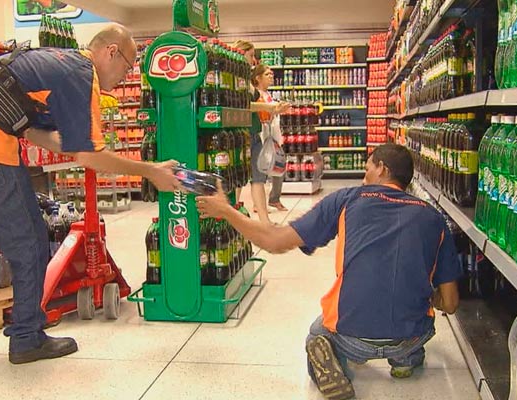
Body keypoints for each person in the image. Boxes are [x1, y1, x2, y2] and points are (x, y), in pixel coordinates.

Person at [0, 24, 180, 365]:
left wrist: (80, 147)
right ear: (111, 52)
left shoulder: (59, 62)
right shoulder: (82, 75)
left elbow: (36, 133)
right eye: (129, 65)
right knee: (29, 244)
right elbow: (88, 158)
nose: (126, 74)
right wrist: (150, 170)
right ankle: (27, 338)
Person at [196, 144, 461, 400]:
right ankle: (404, 359)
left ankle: (340, 362)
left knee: (318, 333)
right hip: (411, 334)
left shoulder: (347, 200)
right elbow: (450, 304)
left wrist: (225, 210)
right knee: (414, 327)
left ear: (381, 168)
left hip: (351, 332)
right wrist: (431, 296)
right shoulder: (434, 218)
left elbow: (274, 242)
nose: (364, 175)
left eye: (367, 168)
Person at [248, 64, 289, 224]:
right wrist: (272, 109)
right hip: (257, 135)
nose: (271, 77)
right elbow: (259, 113)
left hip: (265, 137)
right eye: (267, 74)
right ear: (258, 78)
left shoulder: (266, 94)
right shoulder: (255, 94)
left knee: (259, 177)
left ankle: (265, 211)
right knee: (255, 176)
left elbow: (268, 116)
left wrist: (276, 110)